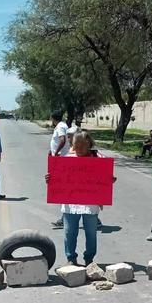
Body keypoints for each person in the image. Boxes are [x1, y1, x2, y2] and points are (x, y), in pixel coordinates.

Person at [45, 131, 115, 266]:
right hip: (70, 203)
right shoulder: (66, 158)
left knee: (91, 233)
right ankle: (71, 258)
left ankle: (89, 259)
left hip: (91, 203)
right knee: (69, 232)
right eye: (76, 145)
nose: (79, 148)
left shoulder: (99, 158)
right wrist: (50, 179)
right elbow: (57, 178)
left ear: (89, 143)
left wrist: (109, 180)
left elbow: (105, 178)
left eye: (81, 145)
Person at [49, 111, 69, 228]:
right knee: (66, 190)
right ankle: (63, 218)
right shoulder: (61, 125)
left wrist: (56, 152)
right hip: (61, 159)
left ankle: (63, 220)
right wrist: (51, 151)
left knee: (66, 190)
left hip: (62, 161)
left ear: (52, 118)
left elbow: (62, 140)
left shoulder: (60, 126)